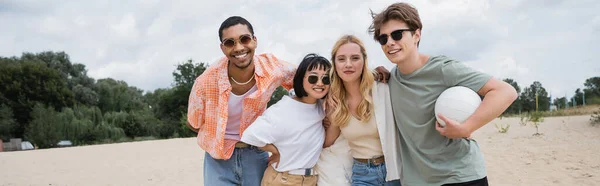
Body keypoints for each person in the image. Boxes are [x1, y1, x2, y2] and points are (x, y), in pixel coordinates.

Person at [187, 15, 391, 186]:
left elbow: (311, 76)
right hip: (218, 156)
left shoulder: (272, 68)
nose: (239, 47)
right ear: (223, 48)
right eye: (230, 42)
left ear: (254, 41)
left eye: (244, 39)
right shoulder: (205, 82)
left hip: (255, 154)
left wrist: (371, 73)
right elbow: (194, 123)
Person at [368, 3, 518, 186]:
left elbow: (505, 91)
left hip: (461, 176)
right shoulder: (390, 80)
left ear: (417, 34)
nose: (390, 42)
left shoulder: (443, 69)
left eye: (397, 34)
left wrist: (467, 128)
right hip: (417, 181)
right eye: (383, 38)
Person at [321, 35, 402, 186]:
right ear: (335, 64)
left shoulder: (382, 88)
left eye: (355, 58)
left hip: (395, 169)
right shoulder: (335, 102)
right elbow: (327, 141)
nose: (348, 64)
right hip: (362, 173)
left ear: (364, 61)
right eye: (341, 59)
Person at [240, 53, 331, 186]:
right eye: (313, 78)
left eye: (326, 79)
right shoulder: (284, 109)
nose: (319, 83)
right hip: (283, 180)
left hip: (310, 180)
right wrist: (277, 151)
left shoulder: (321, 108)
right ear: (301, 79)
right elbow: (250, 135)